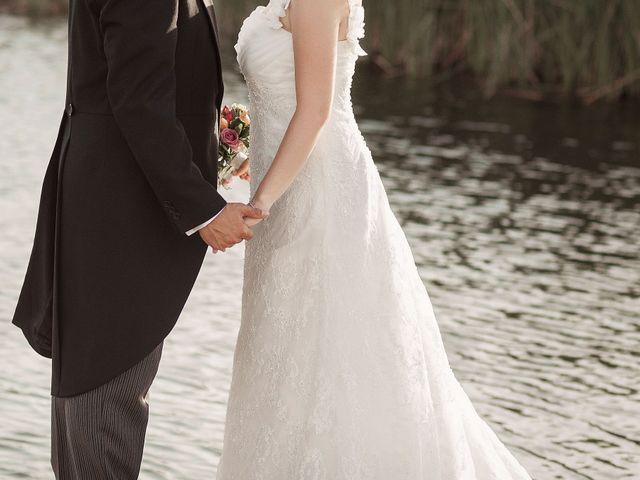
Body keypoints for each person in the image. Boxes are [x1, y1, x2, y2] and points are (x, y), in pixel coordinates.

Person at [216, 0, 532, 478]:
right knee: (279, 347)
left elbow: (316, 110)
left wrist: (259, 203)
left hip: (320, 194)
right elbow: (282, 96)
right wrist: (246, 148)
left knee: (329, 345)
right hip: (286, 189)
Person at [12, 0, 265, 478]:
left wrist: (214, 136)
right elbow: (137, 101)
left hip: (111, 203)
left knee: (94, 397)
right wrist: (204, 210)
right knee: (103, 398)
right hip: (121, 215)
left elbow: (139, 76)